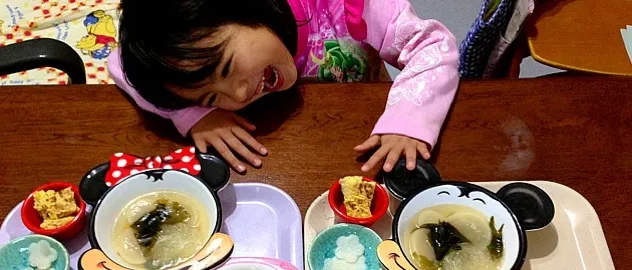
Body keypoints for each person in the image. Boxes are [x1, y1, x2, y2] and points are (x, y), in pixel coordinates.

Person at [108, 0, 459, 174]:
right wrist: (193, 113)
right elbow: (118, 64)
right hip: (293, 162)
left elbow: (433, 46)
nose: (240, 96)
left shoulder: (347, 5)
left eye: (228, 68)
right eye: (213, 96)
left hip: (363, 138)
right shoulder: (173, 65)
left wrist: (407, 122)